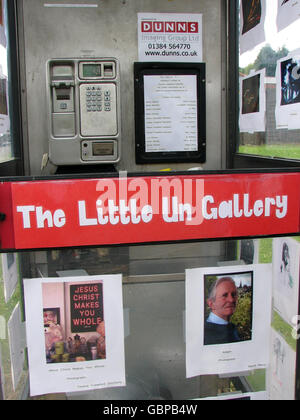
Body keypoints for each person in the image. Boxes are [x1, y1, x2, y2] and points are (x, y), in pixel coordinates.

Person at [204, 277, 240, 345]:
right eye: (225, 295)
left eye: (234, 294)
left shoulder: (231, 327)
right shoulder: (206, 333)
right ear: (211, 303)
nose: (231, 300)